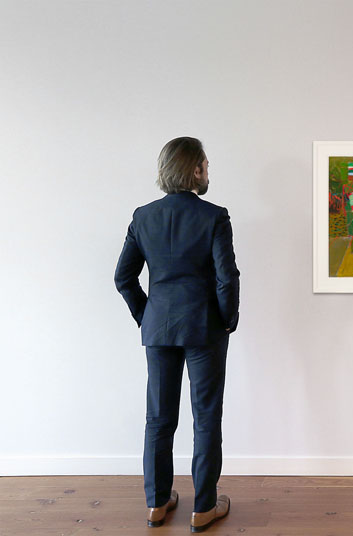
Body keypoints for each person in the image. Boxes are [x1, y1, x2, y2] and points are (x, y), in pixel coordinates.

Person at [114, 137, 240, 532]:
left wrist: (146, 315)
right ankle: (203, 507)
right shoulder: (214, 216)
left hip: (159, 328)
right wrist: (228, 320)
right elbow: (226, 278)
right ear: (196, 169)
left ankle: (157, 503)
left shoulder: (143, 216)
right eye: (206, 164)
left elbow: (123, 277)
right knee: (205, 418)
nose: (208, 170)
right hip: (204, 329)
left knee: (158, 418)